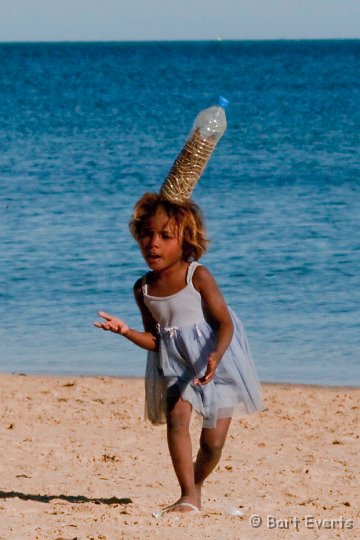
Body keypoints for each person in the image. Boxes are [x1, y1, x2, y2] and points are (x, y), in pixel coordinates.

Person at [94, 192, 264, 517]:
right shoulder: (143, 288)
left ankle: (195, 486)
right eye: (146, 234)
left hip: (218, 361)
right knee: (177, 420)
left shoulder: (197, 276)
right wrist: (126, 331)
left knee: (213, 444)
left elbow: (226, 323)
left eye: (164, 236)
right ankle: (188, 496)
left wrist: (216, 354)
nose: (152, 243)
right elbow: (157, 341)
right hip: (175, 366)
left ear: (184, 240)